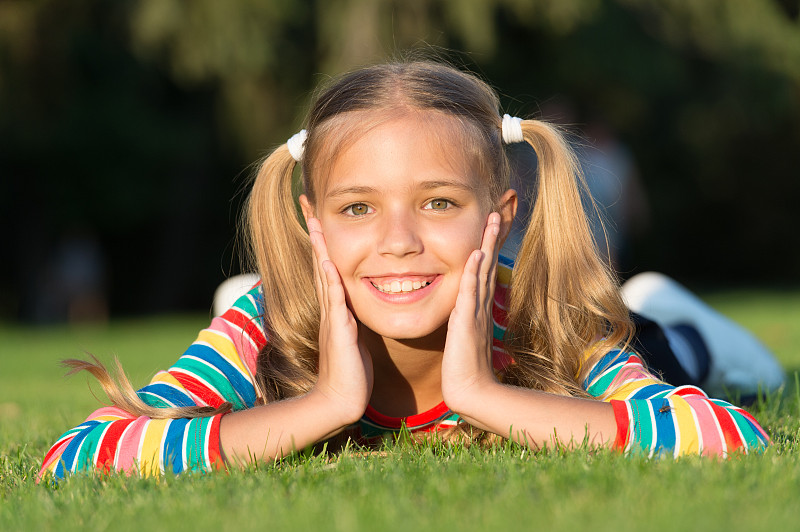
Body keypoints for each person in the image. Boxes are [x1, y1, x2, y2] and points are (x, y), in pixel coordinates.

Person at [40, 61, 781, 480]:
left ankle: (676, 319)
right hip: (304, 308)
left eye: (437, 202)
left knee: (684, 354)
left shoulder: (538, 312)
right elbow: (74, 458)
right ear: (314, 222)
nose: (398, 240)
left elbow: (732, 438)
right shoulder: (266, 322)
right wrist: (324, 404)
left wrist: (477, 395)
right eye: (358, 209)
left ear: (503, 213)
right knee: (270, 310)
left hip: (629, 330)